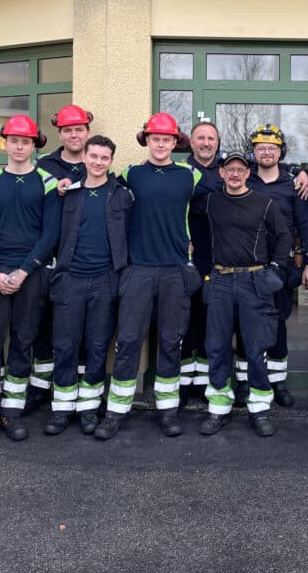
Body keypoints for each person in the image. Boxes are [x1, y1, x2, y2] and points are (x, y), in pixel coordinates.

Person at [95, 112, 202, 440]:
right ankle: (116, 411)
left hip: (174, 270)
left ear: (175, 142)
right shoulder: (130, 174)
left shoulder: (191, 176)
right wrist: (62, 184)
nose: (160, 143)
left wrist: (299, 177)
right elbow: (95, 181)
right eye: (155, 138)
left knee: (171, 342)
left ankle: (167, 410)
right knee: (128, 341)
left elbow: (234, 183)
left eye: (166, 139)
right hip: (138, 269)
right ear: (146, 140)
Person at [0, 115, 60, 452]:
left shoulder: (46, 182)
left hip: (29, 275)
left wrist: (24, 271)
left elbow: (50, 234)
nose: (19, 146)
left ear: (34, 145)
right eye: (14, 140)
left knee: (22, 343)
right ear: (5, 143)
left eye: (26, 141)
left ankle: (11, 412)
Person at [200, 151, 292, 437]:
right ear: (222, 174)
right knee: (216, 347)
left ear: (248, 173)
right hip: (220, 280)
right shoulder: (210, 201)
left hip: (254, 281)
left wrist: (275, 271)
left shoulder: (264, 204)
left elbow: (285, 236)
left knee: (255, 349)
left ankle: (260, 409)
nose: (236, 174)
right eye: (231, 169)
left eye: (241, 169)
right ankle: (218, 408)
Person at [44, 135, 132, 437]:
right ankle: (62, 408)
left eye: (104, 158)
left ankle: (89, 407)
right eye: (93, 156)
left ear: (111, 161)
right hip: (70, 278)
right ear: (85, 158)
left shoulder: (121, 195)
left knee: (97, 345)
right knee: (65, 344)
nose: (97, 162)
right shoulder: (67, 193)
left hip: (107, 279)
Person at [28, 104, 94, 412]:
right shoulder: (44, 165)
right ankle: (41, 387)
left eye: (79, 129)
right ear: (60, 134)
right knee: (43, 325)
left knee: (79, 330)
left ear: (88, 133)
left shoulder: (96, 162)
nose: (74, 135)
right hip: (49, 257)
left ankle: (78, 388)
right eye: (68, 130)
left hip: (83, 261)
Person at [246, 124, 308, 408]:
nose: (266, 152)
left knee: (278, 325)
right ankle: (248, 382)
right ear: (253, 151)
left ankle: (277, 382)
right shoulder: (244, 180)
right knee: (247, 325)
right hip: (247, 267)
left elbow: (304, 225)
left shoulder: (293, 184)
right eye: (261, 147)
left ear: (280, 152)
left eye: (272, 148)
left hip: (281, 266)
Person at [182, 121, 225, 401]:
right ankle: (185, 384)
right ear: (191, 142)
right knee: (186, 321)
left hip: (221, 257)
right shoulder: (179, 172)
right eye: (201, 138)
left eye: (211, 138)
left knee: (214, 323)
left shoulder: (228, 172)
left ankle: (210, 381)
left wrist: (300, 176)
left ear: (217, 143)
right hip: (187, 256)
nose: (206, 143)